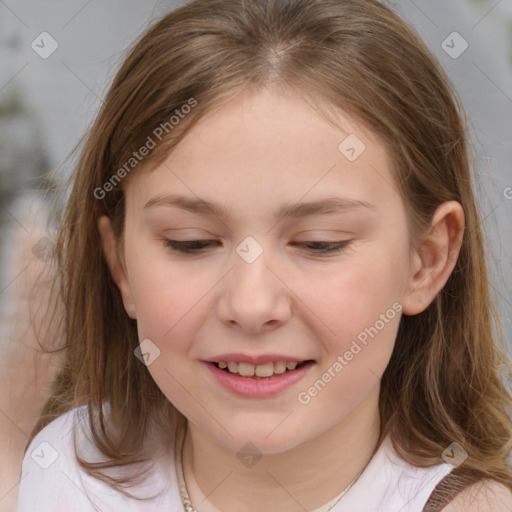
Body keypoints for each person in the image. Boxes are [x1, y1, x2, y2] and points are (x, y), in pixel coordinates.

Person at [15, 0, 512, 510]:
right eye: (191, 242)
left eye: (320, 244)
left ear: (425, 261)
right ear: (121, 264)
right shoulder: (67, 472)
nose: (251, 305)